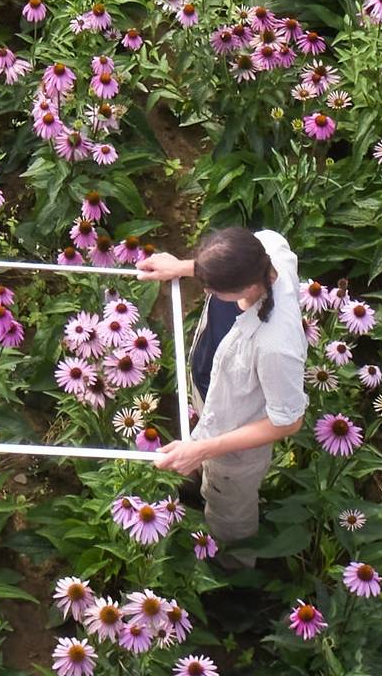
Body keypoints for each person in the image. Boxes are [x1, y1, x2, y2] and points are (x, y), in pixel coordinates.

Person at [138, 226, 308, 568]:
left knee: (230, 508)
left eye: (210, 288)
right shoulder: (268, 247)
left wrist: (203, 448)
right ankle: (199, 473)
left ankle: (231, 568)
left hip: (236, 443)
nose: (204, 291)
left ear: (245, 287)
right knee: (203, 462)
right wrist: (183, 267)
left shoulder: (276, 346)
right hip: (217, 397)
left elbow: (288, 421)